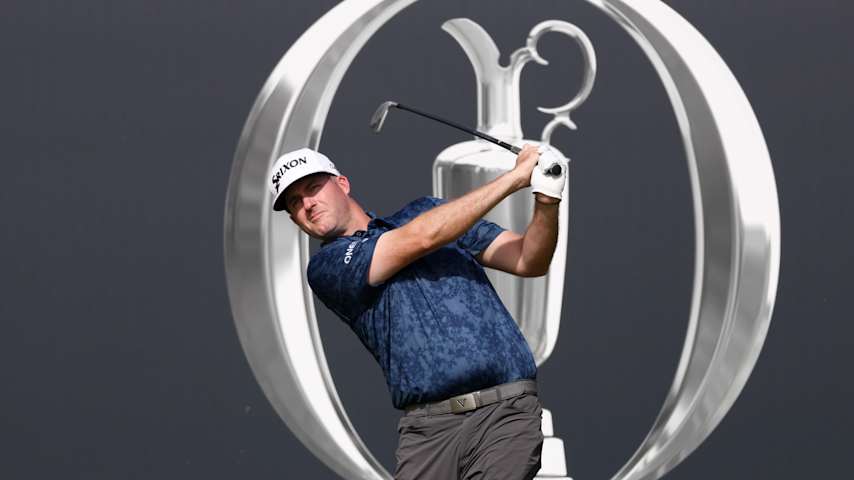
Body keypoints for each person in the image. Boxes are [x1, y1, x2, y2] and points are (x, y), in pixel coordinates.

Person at [268, 145, 568, 480]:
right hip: (428, 433)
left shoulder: (428, 211)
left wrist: (546, 200)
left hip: (504, 413)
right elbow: (422, 238)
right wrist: (514, 178)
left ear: (342, 183)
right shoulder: (327, 267)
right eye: (294, 202)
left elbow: (529, 259)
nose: (307, 204)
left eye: (312, 188)